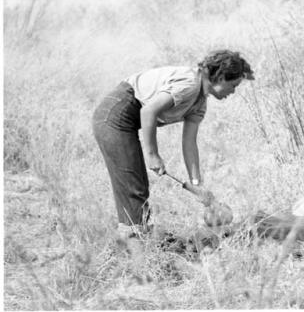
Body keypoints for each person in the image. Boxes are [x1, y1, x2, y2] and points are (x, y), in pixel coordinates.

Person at [92, 50, 254, 238]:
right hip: (115, 114)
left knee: (139, 188)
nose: (233, 92)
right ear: (220, 77)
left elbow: (189, 142)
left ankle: (139, 241)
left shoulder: (200, 102)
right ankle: (133, 249)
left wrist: (196, 183)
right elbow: (148, 112)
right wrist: (153, 154)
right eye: (233, 85)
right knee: (133, 189)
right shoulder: (190, 84)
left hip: (127, 121)